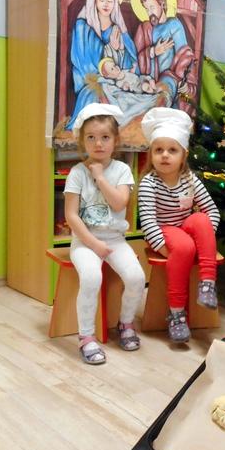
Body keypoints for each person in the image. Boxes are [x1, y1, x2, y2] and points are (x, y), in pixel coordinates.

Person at [64, 103, 145, 364]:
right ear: (82, 141)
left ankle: (126, 324)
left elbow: (119, 204)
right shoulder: (77, 173)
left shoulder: (121, 170)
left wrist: (100, 177)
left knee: (136, 277)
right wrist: (93, 244)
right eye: (91, 137)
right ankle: (86, 337)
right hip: (84, 241)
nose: (98, 143)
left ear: (115, 140)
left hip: (115, 239)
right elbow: (71, 216)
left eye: (105, 137)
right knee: (91, 277)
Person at [138, 107, 220, 343]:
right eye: (158, 150)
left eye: (172, 150)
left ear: (183, 155)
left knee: (201, 219)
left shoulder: (190, 180)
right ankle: (176, 315)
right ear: (151, 155)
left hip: (185, 230)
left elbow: (212, 211)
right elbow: (148, 223)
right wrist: (168, 249)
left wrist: (204, 239)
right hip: (162, 232)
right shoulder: (149, 184)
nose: (165, 155)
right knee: (183, 246)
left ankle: (207, 284)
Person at [67, 0, 139, 129]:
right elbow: (83, 61)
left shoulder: (117, 29)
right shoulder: (83, 26)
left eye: (110, 0)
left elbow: (127, 65)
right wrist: (109, 48)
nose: (106, 4)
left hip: (116, 81)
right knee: (94, 97)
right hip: (93, 81)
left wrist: (118, 50)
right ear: (94, 0)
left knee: (133, 100)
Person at [134, 0, 198, 109]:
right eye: (146, 9)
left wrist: (187, 84)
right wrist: (153, 51)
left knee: (160, 99)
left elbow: (185, 56)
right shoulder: (144, 28)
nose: (150, 13)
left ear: (162, 4)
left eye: (152, 7)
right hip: (147, 80)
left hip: (169, 78)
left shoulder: (174, 25)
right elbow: (136, 58)